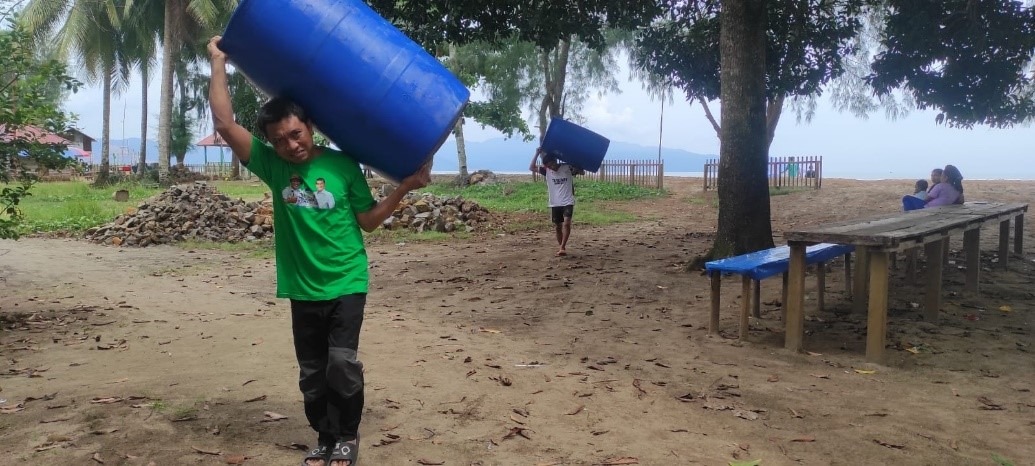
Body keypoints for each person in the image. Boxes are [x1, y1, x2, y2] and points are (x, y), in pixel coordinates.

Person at [208, 35, 430, 466]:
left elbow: (366, 220)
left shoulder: (342, 164)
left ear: (309, 126)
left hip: (346, 280)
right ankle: (325, 438)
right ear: (271, 145)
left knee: (341, 365)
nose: (292, 145)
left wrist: (403, 187)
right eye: (281, 140)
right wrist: (219, 62)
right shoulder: (273, 168)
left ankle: (347, 435)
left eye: (296, 133)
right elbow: (223, 123)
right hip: (302, 287)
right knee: (312, 375)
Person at [529, 148, 577, 256]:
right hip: (555, 202)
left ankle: (563, 246)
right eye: (548, 166)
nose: (551, 167)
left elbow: (581, 171)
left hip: (568, 200)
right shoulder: (547, 171)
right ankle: (561, 247)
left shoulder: (566, 167)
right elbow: (531, 167)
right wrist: (537, 153)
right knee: (558, 226)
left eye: (551, 164)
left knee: (567, 223)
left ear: (555, 161)